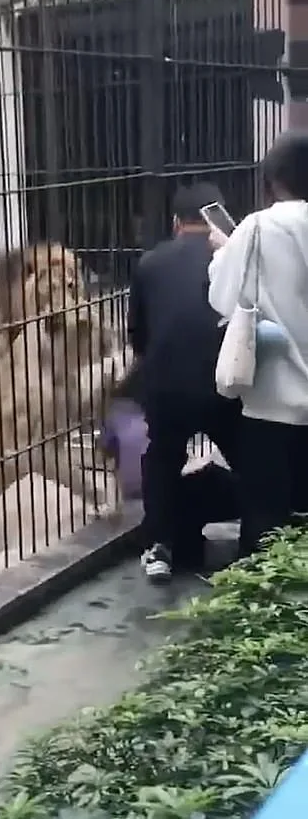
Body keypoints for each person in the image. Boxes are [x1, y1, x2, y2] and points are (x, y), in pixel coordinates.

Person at [128, 182, 242, 582]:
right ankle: (260, 544)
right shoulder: (233, 255)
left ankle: (159, 547)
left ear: (176, 223)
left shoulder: (150, 263)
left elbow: (138, 336)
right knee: (250, 457)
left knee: (161, 457)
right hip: (224, 383)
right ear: (218, 217)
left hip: (166, 387)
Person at [208, 129, 308, 556]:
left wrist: (224, 250)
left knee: (266, 516)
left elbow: (222, 296)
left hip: (271, 402)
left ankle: (264, 605)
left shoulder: (258, 227)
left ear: (271, 181)